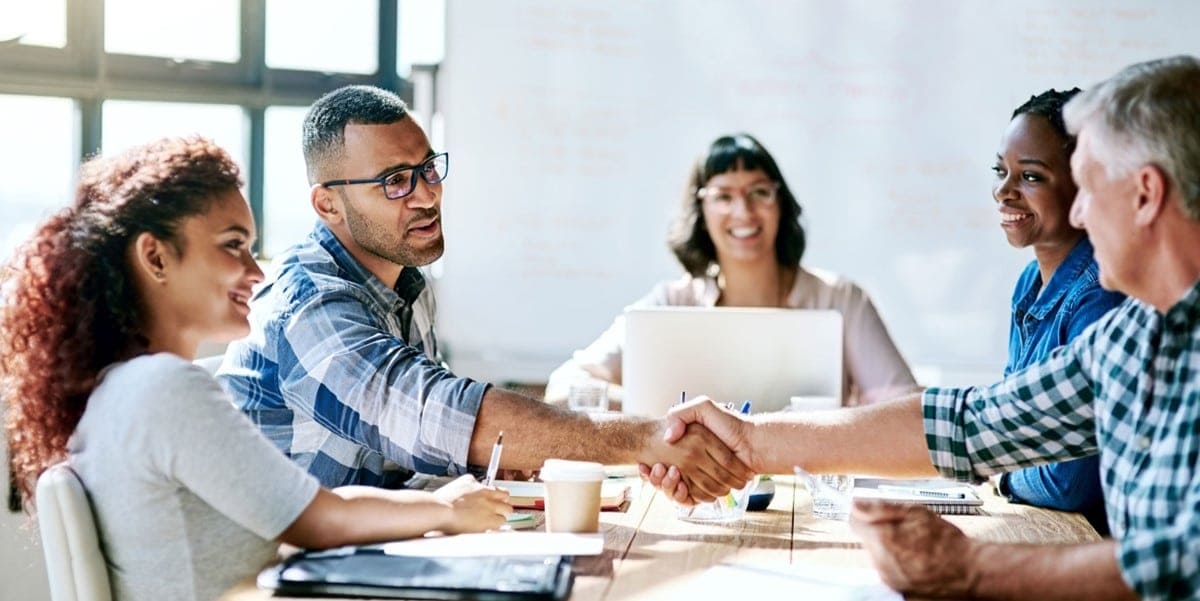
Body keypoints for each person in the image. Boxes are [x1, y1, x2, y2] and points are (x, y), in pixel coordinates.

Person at [645, 55, 1200, 599]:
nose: (1080, 214)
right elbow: (973, 424)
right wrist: (750, 440)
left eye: (1090, 186)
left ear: (1145, 194)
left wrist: (973, 568)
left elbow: (1180, 561)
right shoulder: (1139, 334)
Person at [0, 137, 514, 601]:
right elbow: (318, 519)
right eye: (231, 246)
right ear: (155, 257)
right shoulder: (164, 388)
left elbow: (308, 509)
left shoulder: (122, 391)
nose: (254, 272)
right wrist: (446, 510)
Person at [216, 85, 753, 502]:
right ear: (328, 205)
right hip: (276, 574)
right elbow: (436, 412)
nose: (426, 194)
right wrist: (645, 436)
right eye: (395, 181)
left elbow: (407, 448)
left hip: (367, 550)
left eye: (428, 168)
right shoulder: (307, 303)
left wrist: (498, 458)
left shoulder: (405, 281)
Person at [546, 133, 917, 407]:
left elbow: (906, 411)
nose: (743, 212)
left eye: (759, 192)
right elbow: (563, 388)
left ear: (781, 204)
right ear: (701, 214)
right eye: (723, 196)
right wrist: (656, 410)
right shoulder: (671, 303)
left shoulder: (841, 299)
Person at [990, 88, 1125, 535]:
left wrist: (1004, 474)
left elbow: (1069, 482)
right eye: (1001, 171)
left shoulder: (1101, 294)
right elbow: (1011, 422)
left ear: (1084, 184)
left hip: (1092, 547)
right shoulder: (1030, 283)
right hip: (1045, 527)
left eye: (1030, 176)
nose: (1004, 192)